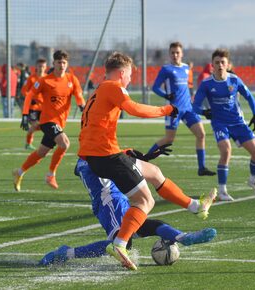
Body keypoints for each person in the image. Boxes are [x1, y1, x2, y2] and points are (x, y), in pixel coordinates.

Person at [78, 51, 217, 270]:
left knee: (153, 171)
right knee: (145, 201)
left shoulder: (99, 91)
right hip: (105, 156)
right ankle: (120, 245)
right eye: (130, 74)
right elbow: (135, 109)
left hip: (101, 155)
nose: (130, 79)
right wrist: (167, 109)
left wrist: (127, 152)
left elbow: (93, 131)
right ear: (122, 72)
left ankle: (196, 207)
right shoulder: (113, 87)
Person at [39, 148, 217, 266]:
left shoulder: (95, 154)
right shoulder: (88, 162)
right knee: (123, 243)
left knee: (143, 225)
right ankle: (66, 253)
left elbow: (113, 158)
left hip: (118, 198)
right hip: (108, 202)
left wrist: (131, 155)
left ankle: (184, 237)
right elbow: (101, 162)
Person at [193, 48, 255, 201]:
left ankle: (253, 180)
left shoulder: (234, 80)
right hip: (220, 124)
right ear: (212, 65)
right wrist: (204, 112)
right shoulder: (206, 84)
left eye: (222, 62)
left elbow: (249, 97)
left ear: (227, 64)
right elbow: (195, 106)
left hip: (238, 122)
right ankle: (222, 191)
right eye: (216, 62)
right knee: (226, 151)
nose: (219, 65)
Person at [13, 50, 85, 190]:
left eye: (64, 62)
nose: (62, 65)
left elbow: (79, 95)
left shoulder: (72, 80)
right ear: (54, 63)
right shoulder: (45, 80)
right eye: (59, 62)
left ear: (67, 64)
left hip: (60, 122)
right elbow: (28, 96)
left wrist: (82, 105)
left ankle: (19, 172)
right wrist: (25, 115)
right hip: (47, 121)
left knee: (41, 153)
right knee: (64, 143)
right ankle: (51, 175)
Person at [148, 42, 215, 177]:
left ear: (182, 54)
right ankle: (145, 158)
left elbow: (187, 88)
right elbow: (155, 87)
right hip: (173, 110)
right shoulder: (166, 69)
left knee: (201, 134)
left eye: (177, 52)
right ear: (169, 54)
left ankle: (201, 168)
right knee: (169, 139)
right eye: (172, 52)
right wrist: (165, 95)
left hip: (188, 109)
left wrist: (198, 106)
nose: (175, 55)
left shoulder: (186, 68)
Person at [20, 58, 47, 150]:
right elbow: (23, 91)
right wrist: (30, 98)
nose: (41, 68)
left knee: (45, 126)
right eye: (40, 66)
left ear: (46, 67)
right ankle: (28, 143)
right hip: (33, 108)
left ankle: (48, 144)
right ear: (36, 67)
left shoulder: (48, 78)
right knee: (35, 125)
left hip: (44, 108)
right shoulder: (31, 78)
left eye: (43, 66)